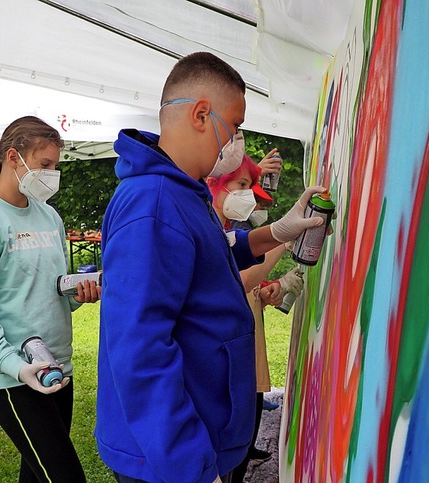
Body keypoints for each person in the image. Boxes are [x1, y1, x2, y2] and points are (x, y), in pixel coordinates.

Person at [96, 51, 328, 483]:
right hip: (168, 460)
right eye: (235, 126)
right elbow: (140, 349)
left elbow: (211, 257)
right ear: (202, 114)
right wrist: (189, 467)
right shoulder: (154, 204)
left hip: (190, 441)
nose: (235, 141)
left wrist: (278, 231)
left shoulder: (182, 191)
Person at [0, 115, 100, 483]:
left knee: (36, 476)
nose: (51, 174)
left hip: (58, 369)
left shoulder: (50, 216)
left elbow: (52, 291)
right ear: (14, 157)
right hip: (15, 379)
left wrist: (79, 294)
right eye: (45, 164)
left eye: (56, 166)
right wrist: (16, 366)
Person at [207, 155, 304, 482]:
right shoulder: (208, 228)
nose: (247, 196)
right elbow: (242, 279)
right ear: (214, 184)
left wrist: (271, 288)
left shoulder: (225, 228)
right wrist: (283, 239)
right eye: (243, 185)